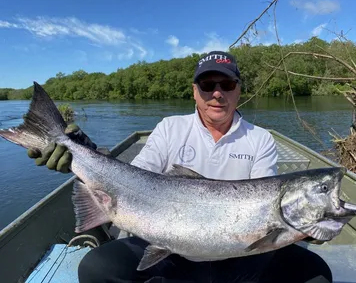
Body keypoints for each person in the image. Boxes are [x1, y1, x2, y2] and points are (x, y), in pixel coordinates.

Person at [27, 51, 333, 283]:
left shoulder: (260, 139)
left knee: (316, 272)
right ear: (194, 90)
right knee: (96, 268)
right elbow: (132, 178)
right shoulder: (170, 128)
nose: (217, 92)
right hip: (171, 251)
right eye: (207, 84)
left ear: (238, 90)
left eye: (226, 84)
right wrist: (82, 151)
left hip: (239, 255)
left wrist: (310, 224)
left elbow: (267, 213)